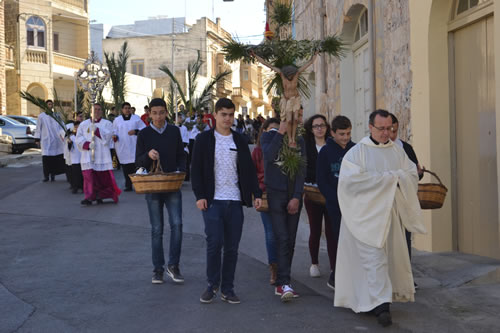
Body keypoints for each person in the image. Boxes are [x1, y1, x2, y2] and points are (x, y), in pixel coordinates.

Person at [334, 109, 426, 327]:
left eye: (390, 129)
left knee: (387, 258)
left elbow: (411, 174)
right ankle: (381, 306)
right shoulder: (357, 153)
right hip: (364, 217)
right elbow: (349, 183)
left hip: (389, 215)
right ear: (370, 127)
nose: (386, 133)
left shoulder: (397, 151)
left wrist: (398, 177)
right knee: (372, 260)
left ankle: (379, 301)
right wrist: (389, 179)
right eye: (382, 129)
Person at [191, 97, 262, 305]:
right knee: (214, 243)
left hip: (234, 200)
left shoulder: (239, 140)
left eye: (231, 115)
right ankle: (212, 285)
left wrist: (256, 194)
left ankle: (228, 288)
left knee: (232, 247)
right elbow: (195, 170)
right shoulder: (204, 140)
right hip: (213, 201)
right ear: (215, 115)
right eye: (223, 114)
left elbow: (249, 170)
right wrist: (200, 196)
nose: (227, 119)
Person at [136, 98, 187, 285]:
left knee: (178, 225)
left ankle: (174, 265)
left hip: (172, 184)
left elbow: (181, 154)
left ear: (167, 113)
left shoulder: (174, 131)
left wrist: (181, 170)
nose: (158, 116)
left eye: (161, 112)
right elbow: (138, 162)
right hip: (153, 186)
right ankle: (157, 269)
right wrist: (148, 156)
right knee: (157, 230)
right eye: (154, 113)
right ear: (149, 114)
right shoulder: (144, 134)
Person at [261, 107, 306, 302]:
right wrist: (280, 133)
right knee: (281, 237)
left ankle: (284, 279)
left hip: (293, 195)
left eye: (300, 115)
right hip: (275, 193)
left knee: (291, 239)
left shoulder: (300, 140)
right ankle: (283, 282)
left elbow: (302, 169)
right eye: (295, 115)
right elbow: (269, 157)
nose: (298, 118)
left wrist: (296, 196)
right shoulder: (268, 137)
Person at [316, 115, 355, 290]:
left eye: (348, 133)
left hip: (355, 205)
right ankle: (337, 277)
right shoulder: (325, 152)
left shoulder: (356, 150)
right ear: (332, 133)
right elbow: (322, 180)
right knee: (341, 240)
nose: (345, 138)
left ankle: (345, 277)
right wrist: (335, 198)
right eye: (341, 134)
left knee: (355, 241)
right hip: (336, 205)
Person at [303, 114, 336, 286]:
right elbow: (304, 168)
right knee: (315, 229)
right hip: (312, 192)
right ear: (311, 129)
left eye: (322, 125)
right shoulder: (306, 146)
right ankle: (314, 263)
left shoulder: (332, 145)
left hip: (330, 194)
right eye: (316, 126)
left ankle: (333, 267)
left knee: (331, 231)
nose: (319, 128)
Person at [389, 113, 424, 273]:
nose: (390, 134)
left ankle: (406, 275)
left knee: (405, 238)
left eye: (394, 131)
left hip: (404, 199)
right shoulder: (372, 148)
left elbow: (415, 173)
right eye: (387, 130)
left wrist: (419, 173)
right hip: (385, 202)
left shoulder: (406, 148)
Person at [251, 117, 280, 285]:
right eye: (271, 131)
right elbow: (253, 174)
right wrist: (256, 194)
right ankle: (273, 268)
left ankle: (283, 267)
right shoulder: (258, 151)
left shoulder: (286, 149)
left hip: (282, 194)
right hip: (265, 195)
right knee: (270, 233)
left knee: (282, 234)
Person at [76, 103, 121, 205]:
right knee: (89, 177)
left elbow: (108, 137)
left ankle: (101, 195)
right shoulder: (83, 124)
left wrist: (97, 131)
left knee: (102, 178)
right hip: (88, 155)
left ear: (102, 111)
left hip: (102, 155)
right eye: (95, 109)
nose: (97, 111)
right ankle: (89, 197)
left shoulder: (107, 123)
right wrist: (87, 144)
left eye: (99, 109)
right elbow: (78, 137)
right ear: (91, 111)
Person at [112, 102, 146, 191]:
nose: (127, 110)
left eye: (128, 108)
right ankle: (128, 184)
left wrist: (136, 131)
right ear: (122, 110)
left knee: (136, 166)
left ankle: (138, 184)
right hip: (122, 146)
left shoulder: (136, 118)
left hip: (134, 145)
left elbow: (144, 129)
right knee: (126, 167)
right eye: (125, 108)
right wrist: (114, 136)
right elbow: (114, 131)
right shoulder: (117, 120)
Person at [34, 99, 66, 182]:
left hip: (56, 140)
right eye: (48, 104)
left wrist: (64, 134)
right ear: (45, 106)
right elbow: (38, 128)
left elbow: (61, 125)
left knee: (55, 159)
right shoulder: (41, 116)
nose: (50, 106)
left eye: (51, 104)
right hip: (46, 140)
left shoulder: (56, 115)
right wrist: (37, 139)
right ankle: (46, 176)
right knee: (46, 159)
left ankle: (53, 174)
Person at [68, 121, 83, 194]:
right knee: (75, 173)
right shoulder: (71, 137)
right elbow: (69, 148)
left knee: (81, 173)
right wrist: (69, 143)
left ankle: (82, 186)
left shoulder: (83, 136)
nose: (77, 129)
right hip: (74, 158)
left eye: (78, 127)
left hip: (82, 157)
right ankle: (75, 187)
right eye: (76, 127)